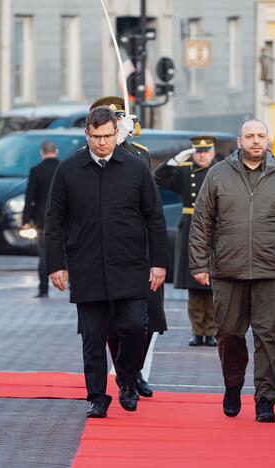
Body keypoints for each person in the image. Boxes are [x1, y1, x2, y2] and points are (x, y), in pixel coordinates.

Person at [45, 106, 168, 418]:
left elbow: (154, 217)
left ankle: (127, 379)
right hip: (87, 267)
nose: (102, 142)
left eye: (108, 136)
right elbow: (54, 219)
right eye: (96, 136)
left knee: (135, 327)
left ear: (117, 133)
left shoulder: (136, 167)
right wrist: (56, 264)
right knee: (93, 337)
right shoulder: (69, 170)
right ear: (87, 134)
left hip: (130, 265)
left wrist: (159, 263)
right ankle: (97, 397)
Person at [188, 119, 275, 423]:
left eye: (260, 136)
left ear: (267, 140)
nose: (255, 141)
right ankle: (232, 385)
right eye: (249, 136)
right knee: (229, 334)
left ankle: (265, 399)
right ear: (239, 141)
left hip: (272, 271)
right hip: (228, 270)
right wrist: (200, 263)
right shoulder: (218, 175)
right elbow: (202, 222)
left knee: (267, 335)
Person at [88, 96, 169, 399]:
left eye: (121, 118)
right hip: (108, 251)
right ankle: (126, 375)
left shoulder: (140, 154)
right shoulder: (93, 153)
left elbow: (150, 204)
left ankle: (132, 371)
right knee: (111, 320)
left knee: (148, 317)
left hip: (141, 248)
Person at [155, 136, 218, 347]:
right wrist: (175, 160)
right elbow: (159, 178)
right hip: (190, 225)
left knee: (212, 281)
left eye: (206, 151)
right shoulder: (184, 170)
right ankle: (197, 330)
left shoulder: (221, 171)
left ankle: (211, 330)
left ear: (213, 151)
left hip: (214, 227)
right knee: (193, 284)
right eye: (198, 151)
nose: (202, 155)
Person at [22, 140, 59, 298]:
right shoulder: (63, 167)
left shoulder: (36, 170)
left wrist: (25, 220)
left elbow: (30, 197)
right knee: (68, 252)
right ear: (55, 151)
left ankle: (43, 289)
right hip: (62, 217)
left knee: (44, 254)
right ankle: (73, 285)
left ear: (42, 152)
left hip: (42, 219)